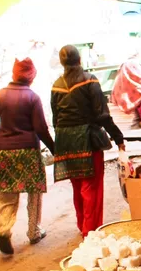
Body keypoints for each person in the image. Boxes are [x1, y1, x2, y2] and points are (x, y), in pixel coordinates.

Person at [51, 45, 128, 237]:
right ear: (79, 60)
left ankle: (82, 225)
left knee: (77, 184)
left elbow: (55, 118)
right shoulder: (89, 80)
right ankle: (90, 231)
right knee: (90, 186)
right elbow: (102, 115)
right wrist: (118, 136)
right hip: (86, 138)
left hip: (65, 139)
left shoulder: (56, 85)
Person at [0, 58, 54, 255]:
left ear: (14, 74)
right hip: (28, 151)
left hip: (3, 151)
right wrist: (54, 148)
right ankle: (34, 231)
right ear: (31, 76)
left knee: (6, 193)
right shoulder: (32, 97)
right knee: (34, 193)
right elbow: (41, 128)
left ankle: (4, 232)